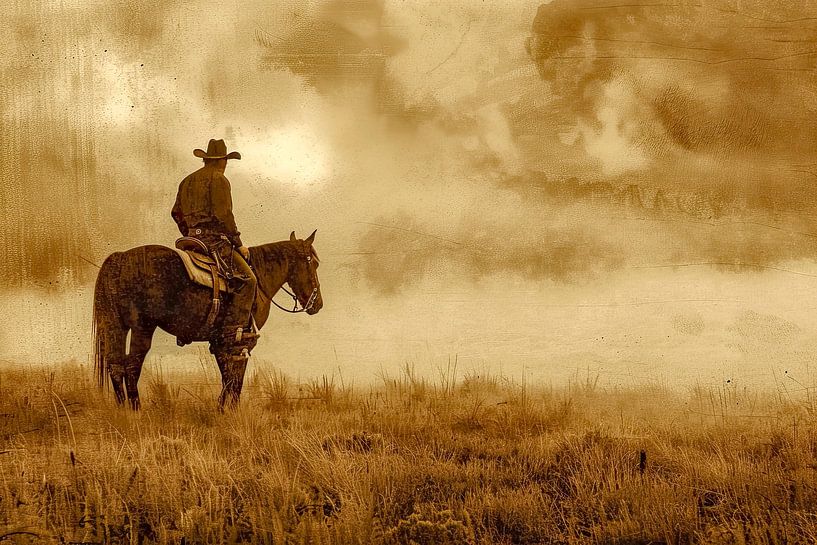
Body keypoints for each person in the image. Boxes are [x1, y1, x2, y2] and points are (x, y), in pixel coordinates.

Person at [171, 139, 257, 343]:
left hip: (190, 240)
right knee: (249, 281)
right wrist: (238, 244)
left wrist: (190, 232)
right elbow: (224, 215)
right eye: (225, 161)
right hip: (213, 243)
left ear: (206, 160)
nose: (225, 165)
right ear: (222, 162)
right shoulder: (219, 179)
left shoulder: (187, 181)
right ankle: (232, 331)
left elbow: (176, 212)